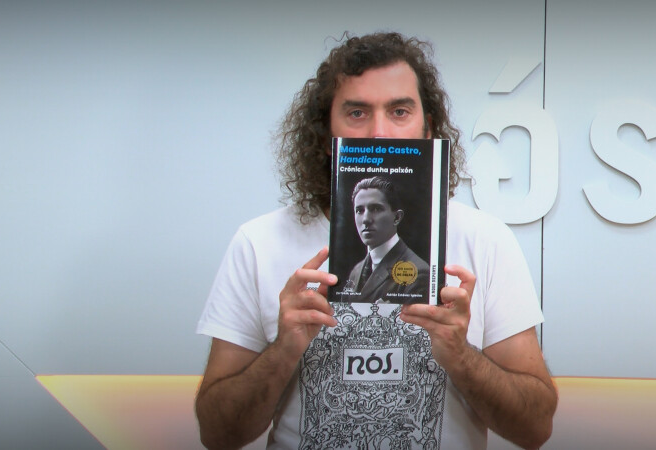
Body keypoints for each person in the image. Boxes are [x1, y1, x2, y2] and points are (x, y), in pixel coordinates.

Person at [195, 32, 557, 449]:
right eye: (357, 112)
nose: (379, 133)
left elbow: (535, 429)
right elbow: (217, 434)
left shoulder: (486, 239)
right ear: (325, 134)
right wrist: (284, 348)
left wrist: (461, 356)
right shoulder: (258, 242)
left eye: (399, 111)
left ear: (428, 129)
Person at [344, 175, 430, 303]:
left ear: (397, 217)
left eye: (376, 209)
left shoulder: (418, 273)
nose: (366, 219)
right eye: (359, 210)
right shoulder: (356, 271)